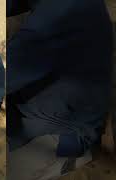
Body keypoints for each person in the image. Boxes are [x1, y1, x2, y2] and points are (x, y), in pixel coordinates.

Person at [7, 0, 114, 179]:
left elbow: (6, 75)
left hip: (64, 132)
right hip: (53, 109)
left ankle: (67, 159)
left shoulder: (56, 16)